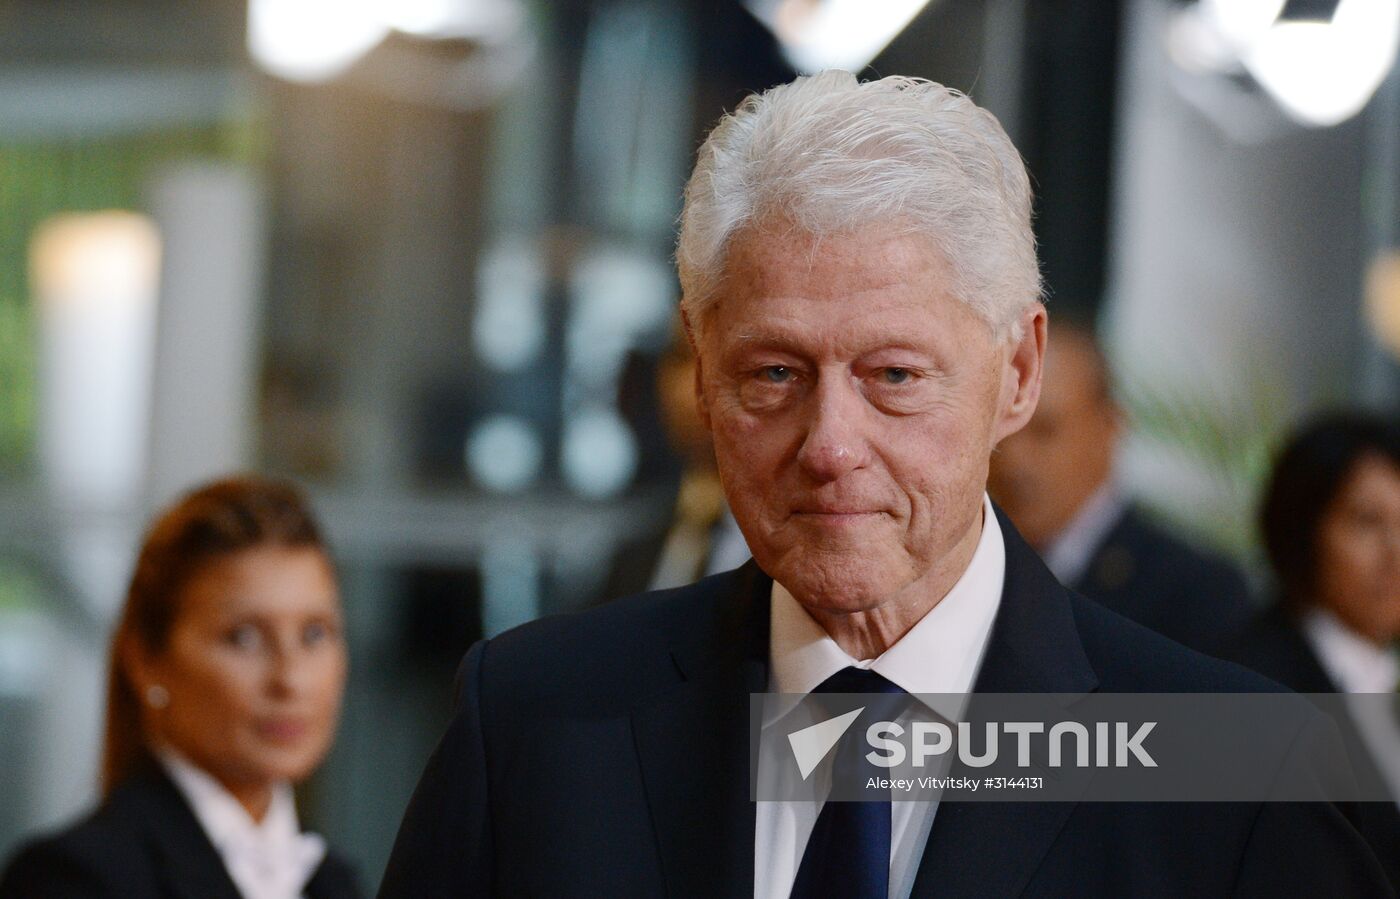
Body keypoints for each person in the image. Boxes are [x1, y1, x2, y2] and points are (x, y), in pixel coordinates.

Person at [379, 72, 1390, 897]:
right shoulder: (533, 720)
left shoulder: (1229, 769)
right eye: (773, 373)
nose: (829, 444)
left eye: (893, 375)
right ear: (700, 371)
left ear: (1019, 373)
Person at [0, 476, 361, 899]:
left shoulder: (335, 884)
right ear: (145, 660)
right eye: (244, 637)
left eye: (315, 634)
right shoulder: (74, 880)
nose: (291, 680)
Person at [987, 321, 1253, 654]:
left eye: (1044, 431)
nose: (1013, 460)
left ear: (1108, 429)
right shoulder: (960, 574)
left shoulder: (1198, 592)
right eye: (1001, 430)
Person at [1225, 412, 1400, 889]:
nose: (1394, 552)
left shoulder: (1381, 678)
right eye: (1367, 522)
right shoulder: (1250, 685)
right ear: (1303, 531)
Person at [604, 321, 750, 599]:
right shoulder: (638, 551)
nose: (692, 383)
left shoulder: (803, 548)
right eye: (681, 356)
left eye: (717, 356)